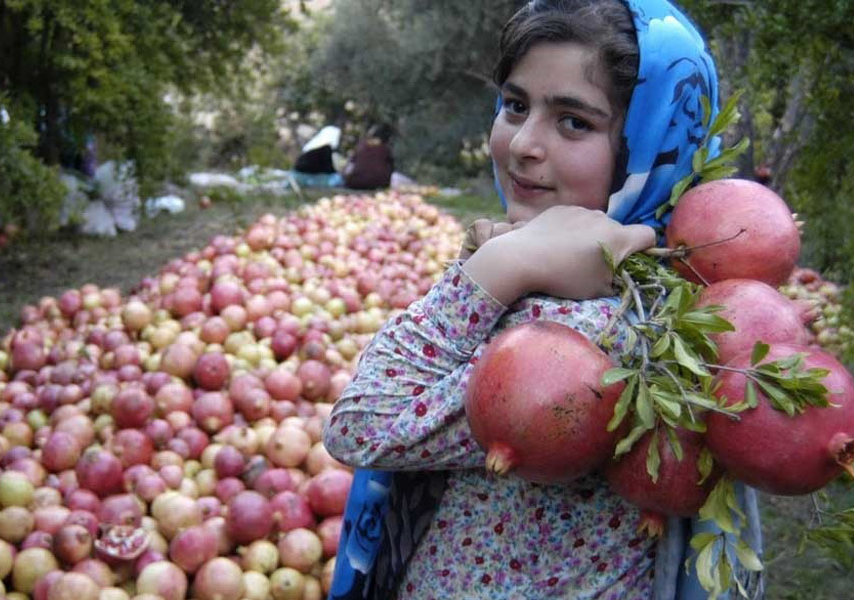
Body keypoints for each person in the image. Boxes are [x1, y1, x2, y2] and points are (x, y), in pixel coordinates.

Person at [322, 1, 764, 599]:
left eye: (573, 122)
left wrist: (499, 267)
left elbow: (359, 424)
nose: (524, 144)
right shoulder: (666, 294)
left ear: (649, 143)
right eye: (515, 105)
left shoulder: (594, 333)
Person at [343, 123, 396, 190]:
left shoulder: (362, 146)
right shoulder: (386, 150)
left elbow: (349, 167)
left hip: (355, 183)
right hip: (379, 184)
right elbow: (391, 169)